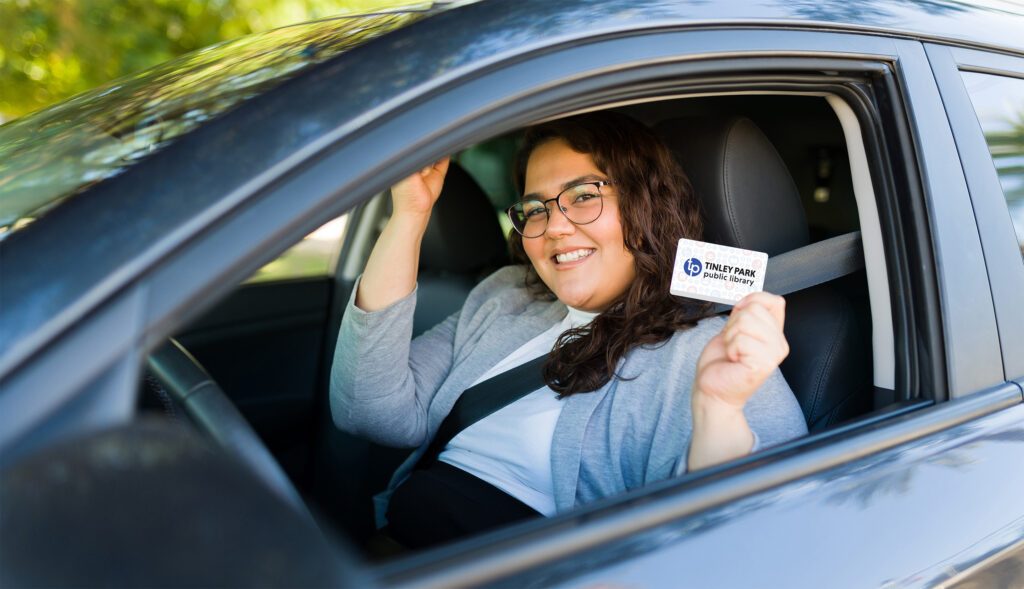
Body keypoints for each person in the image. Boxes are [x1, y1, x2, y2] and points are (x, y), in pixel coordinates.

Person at [330, 112, 807, 549]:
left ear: (644, 207)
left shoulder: (717, 354)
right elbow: (369, 410)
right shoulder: (507, 295)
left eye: (583, 197)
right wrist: (411, 215)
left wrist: (719, 412)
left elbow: (752, 544)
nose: (554, 226)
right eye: (535, 209)